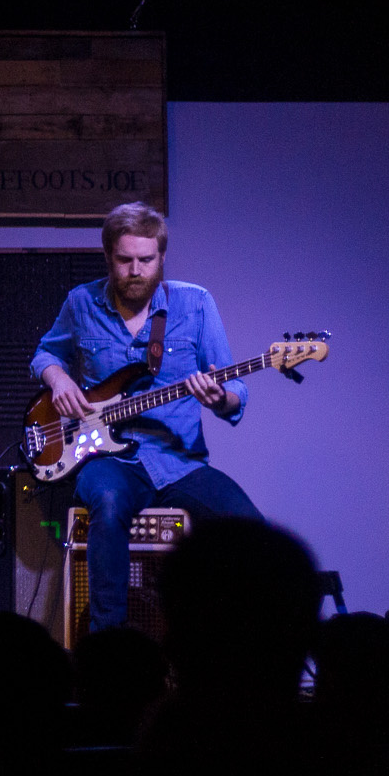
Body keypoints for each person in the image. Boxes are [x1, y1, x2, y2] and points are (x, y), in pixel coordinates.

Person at [30, 201, 262, 634]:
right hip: (106, 460)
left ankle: (242, 644)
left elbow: (236, 391)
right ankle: (108, 646)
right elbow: (46, 353)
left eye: (146, 259)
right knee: (110, 500)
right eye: (125, 260)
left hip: (179, 462)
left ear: (161, 257)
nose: (135, 270)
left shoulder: (194, 304)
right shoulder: (81, 303)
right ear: (108, 258)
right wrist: (58, 378)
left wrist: (218, 399)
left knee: (251, 531)